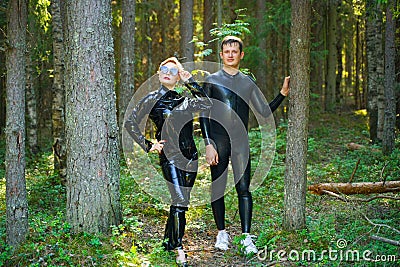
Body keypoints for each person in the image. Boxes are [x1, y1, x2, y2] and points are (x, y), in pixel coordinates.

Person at [199, 36, 290, 255]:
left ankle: (246, 237)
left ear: (241, 55)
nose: (230, 54)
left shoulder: (247, 82)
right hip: (218, 140)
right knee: (218, 188)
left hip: (241, 142)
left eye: (234, 51)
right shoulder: (211, 80)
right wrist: (208, 143)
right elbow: (203, 113)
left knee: (243, 189)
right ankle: (221, 233)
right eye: (226, 51)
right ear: (221, 55)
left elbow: (263, 111)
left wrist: (283, 94)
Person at [125, 57, 211, 266]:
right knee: (180, 201)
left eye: (173, 70)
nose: (167, 72)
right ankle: (179, 248)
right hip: (170, 157)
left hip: (190, 157)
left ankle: (168, 241)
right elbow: (130, 122)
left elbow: (207, 103)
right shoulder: (151, 99)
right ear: (158, 72)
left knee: (180, 203)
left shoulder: (185, 100)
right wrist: (149, 144)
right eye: (163, 68)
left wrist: (189, 80)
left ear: (178, 76)